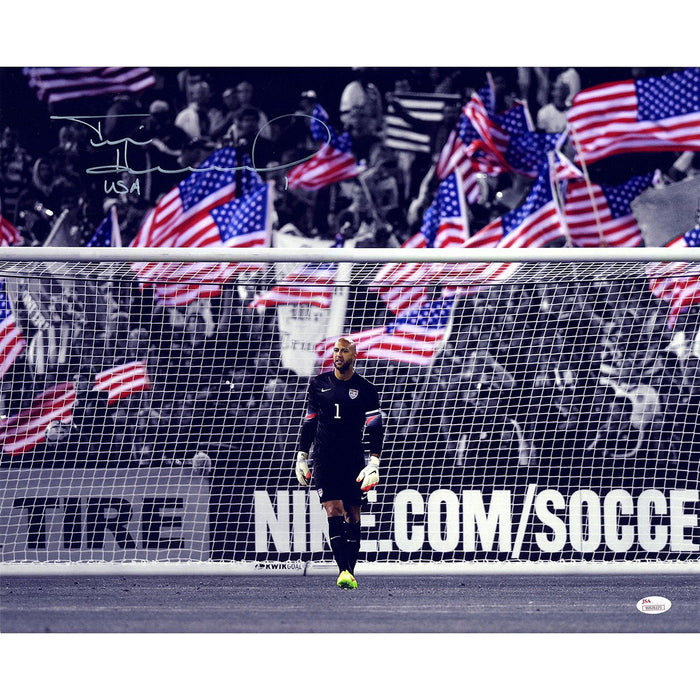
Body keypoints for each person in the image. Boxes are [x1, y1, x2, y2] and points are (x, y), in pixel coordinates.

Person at [294, 337, 384, 589]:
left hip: (353, 457)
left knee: (353, 515)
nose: (338, 354)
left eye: (344, 351)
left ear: (354, 356)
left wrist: (374, 462)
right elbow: (310, 422)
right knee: (332, 509)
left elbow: (375, 427)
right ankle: (344, 571)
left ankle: (349, 572)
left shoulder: (366, 389)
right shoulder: (318, 384)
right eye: (335, 350)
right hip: (324, 457)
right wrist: (302, 457)